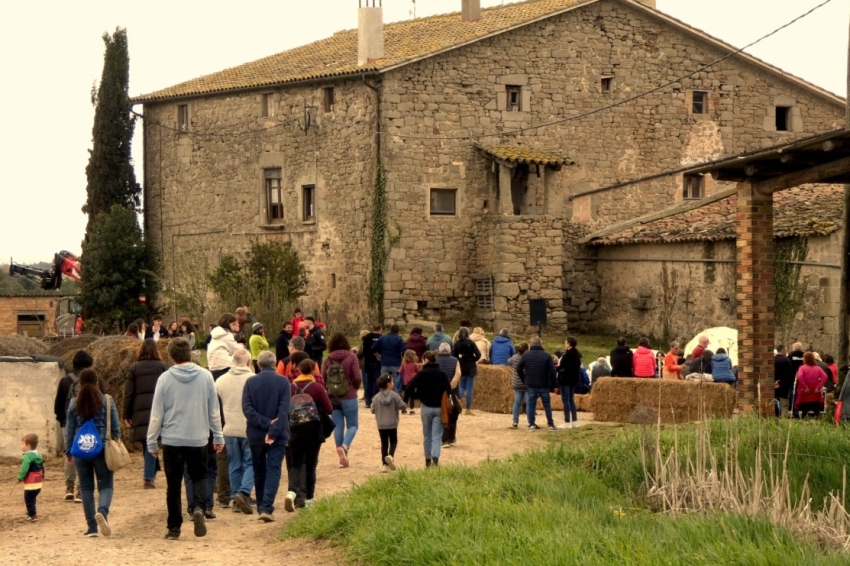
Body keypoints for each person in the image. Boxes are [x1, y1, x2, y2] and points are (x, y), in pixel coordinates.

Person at [147, 338, 224, 540]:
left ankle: (174, 527)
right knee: (199, 476)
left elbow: (157, 414)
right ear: (190, 353)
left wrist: (152, 441)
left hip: (172, 440)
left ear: (171, 356)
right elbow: (213, 411)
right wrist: (218, 435)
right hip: (198, 438)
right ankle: (198, 507)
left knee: (173, 485)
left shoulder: (164, 379)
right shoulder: (206, 377)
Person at [66, 368, 121, 537]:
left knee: (86, 488)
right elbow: (116, 426)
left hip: (80, 450)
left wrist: (68, 450)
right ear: (97, 382)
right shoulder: (107, 400)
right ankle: (102, 512)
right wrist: (116, 443)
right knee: (105, 485)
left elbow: (69, 429)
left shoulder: (74, 403)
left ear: (80, 384)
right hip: (102, 448)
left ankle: (91, 528)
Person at [242, 350, 292, 522]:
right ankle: (266, 506)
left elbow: (247, 409)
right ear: (275, 363)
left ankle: (262, 504)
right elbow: (284, 409)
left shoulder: (250, 382)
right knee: (274, 468)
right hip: (278, 434)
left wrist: (264, 423)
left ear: (258, 364)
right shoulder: (283, 381)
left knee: (258, 468)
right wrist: (273, 428)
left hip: (256, 433)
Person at [284, 359, 333, 512]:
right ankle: (309, 499)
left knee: (296, 464)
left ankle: (292, 492)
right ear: (312, 371)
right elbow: (330, 409)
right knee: (310, 466)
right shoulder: (317, 388)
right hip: (313, 432)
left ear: (298, 370)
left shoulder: (290, 387)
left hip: (294, 431)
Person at [214, 349, 255, 515]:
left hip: (229, 429)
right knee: (251, 462)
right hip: (248, 428)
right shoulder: (253, 379)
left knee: (234, 464)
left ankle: (235, 498)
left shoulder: (220, 381)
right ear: (248, 362)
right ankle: (243, 492)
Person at [124, 339, 169, 489]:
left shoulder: (134, 368)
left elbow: (128, 394)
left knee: (147, 443)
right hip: (160, 410)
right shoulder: (163, 367)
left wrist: (126, 414)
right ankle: (149, 475)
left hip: (140, 411)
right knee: (155, 442)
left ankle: (149, 475)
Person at [53, 350, 94, 503]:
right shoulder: (94, 380)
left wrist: (63, 420)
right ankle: (80, 490)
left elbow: (58, 405)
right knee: (86, 454)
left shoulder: (65, 381)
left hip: (68, 423)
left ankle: (69, 487)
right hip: (88, 425)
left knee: (70, 453)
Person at [322, 333, 362, 468]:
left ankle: (341, 458)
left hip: (334, 398)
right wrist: (353, 388)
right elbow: (357, 377)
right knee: (353, 425)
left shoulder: (328, 360)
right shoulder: (352, 357)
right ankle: (344, 448)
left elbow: (322, 378)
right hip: (349, 395)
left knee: (338, 426)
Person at [405, 351, 452, 467]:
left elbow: (409, 388)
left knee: (427, 436)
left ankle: (427, 461)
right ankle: (435, 460)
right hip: (439, 408)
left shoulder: (422, 374)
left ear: (426, 360)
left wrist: (418, 396)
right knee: (437, 436)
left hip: (426, 407)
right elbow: (449, 391)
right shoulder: (443, 374)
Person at [517, 337, 557, 431]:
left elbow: (519, 369)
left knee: (531, 404)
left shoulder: (526, 355)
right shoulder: (547, 356)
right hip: (544, 384)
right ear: (541, 344)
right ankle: (550, 424)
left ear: (531, 345)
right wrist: (555, 385)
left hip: (531, 383)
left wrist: (524, 379)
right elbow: (552, 371)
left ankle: (531, 424)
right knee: (547, 405)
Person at [371, 373, 407, 473]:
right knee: (394, 441)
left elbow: (372, 410)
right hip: (392, 423)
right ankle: (390, 456)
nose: (393, 383)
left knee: (384, 443)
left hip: (381, 424)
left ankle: (384, 465)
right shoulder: (395, 396)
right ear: (388, 384)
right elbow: (403, 406)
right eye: (392, 381)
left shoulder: (376, 397)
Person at [435, 342, 462, 446]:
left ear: (439, 350)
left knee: (442, 414)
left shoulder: (435, 360)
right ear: (450, 350)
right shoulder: (455, 360)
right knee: (453, 414)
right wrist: (451, 386)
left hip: (439, 393)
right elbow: (458, 374)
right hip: (453, 392)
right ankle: (452, 437)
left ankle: (443, 437)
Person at [452, 327, 482, 415]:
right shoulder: (471, 343)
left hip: (461, 366)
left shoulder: (457, 343)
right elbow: (478, 354)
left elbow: (453, 356)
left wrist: (460, 360)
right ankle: (468, 409)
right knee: (469, 388)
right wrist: (473, 359)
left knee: (462, 387)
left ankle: (456, 404)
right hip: (471, 367)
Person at [18, 433, 44, 522]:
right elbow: (42, 467)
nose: (20, 445)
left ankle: (33, 515)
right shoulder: (38, 455)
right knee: (32, 498)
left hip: (31, 483)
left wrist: (20, 478)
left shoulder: (27, 456)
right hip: (39, 482)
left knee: (28, 498)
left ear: (28, 446)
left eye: (22, 444)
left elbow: (24, 468)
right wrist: (43, 476)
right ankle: (31, 511)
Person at [557, 337, 582, 429]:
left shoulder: (568, 355)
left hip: (565, 379)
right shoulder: (576, 354)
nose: (565, 343)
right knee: (571, 399)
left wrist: (556, 368)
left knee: (565, 400)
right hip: (573, 379)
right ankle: (574, 421)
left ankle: (567, 421)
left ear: (569, 344)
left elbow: (564, 367)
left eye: (566, 342)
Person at [795, 351, 827, 418]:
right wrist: (819, 387)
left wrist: (804, 387)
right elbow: (824, 376)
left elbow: (800, 376)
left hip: (806, 390)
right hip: (815, 389)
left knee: (805, 409)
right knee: (816, 409)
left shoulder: (802, 368)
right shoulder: (818, 368)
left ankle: (804, 421)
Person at [208, 314, 240, 380]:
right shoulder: (226, 335)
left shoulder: (217, 333)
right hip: (225, 365)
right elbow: (236, 350)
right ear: (227, 324)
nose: (235, 326)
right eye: (233, 324)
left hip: (213, 366)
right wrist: (241, 345)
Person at [359, 324, 383, 408]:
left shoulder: (367, 337)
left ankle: (368, 400)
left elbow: (364, 351)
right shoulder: (382, 338)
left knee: (369, 381)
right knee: (377, 381)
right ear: (380, 329)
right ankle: (374, 399)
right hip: (378, 362)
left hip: (368, 362)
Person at [508, 342, 529, 429]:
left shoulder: (514, 358)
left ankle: (515, 422)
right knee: (529, 403)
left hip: (516, 383)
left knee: (517, 403)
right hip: (526, 384)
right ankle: (530, 422)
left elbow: (508, 362)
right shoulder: (527, 358)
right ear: (526, 349)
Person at [774, 345, 794, 417]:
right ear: (782, 350)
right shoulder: (787, 360)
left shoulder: (773, 359)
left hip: (774, 387)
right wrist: (781, 383)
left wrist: (774, 383)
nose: (786, 352)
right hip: (784, 387)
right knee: (784, 405)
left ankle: (775, 417)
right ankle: (784, 420)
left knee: (774, 403)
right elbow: (789, 375)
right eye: (786, 350)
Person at [398, 350, 420, 414]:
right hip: (412, 382)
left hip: (405, 382)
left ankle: (404, 409)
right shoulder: (414, 365)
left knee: (406, 395)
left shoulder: (403, 364)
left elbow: (400, 371)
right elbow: (418, 372)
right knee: (412, 396)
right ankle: (411, 409)